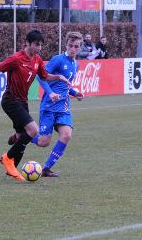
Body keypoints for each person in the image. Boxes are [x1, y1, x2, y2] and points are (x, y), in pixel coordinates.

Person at [0, 30, 70, 182]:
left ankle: (12, 167)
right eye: (37, 44)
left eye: (41, 45)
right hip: (11, 101)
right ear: (27, 43)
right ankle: (8, 158)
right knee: (33, 130)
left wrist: (58, 77)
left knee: (24, 136)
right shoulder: (16, 59)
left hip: (23, 102)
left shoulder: (37, 60)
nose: (39, 48)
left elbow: (44, 77)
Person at [29, 31, 84, 177]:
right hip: (49, 105)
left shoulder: (75, 64)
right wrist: (51, 93)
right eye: (70, 45)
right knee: (43, 142)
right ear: (66, 45)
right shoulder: (58, 60)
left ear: (80, 48)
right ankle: (23, 134)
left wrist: (74, 93)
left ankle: (46, 168)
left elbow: (65, 85)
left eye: (76, 46)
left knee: (66, 135)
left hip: (64, 107)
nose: (73, 49)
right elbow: (40, 77)